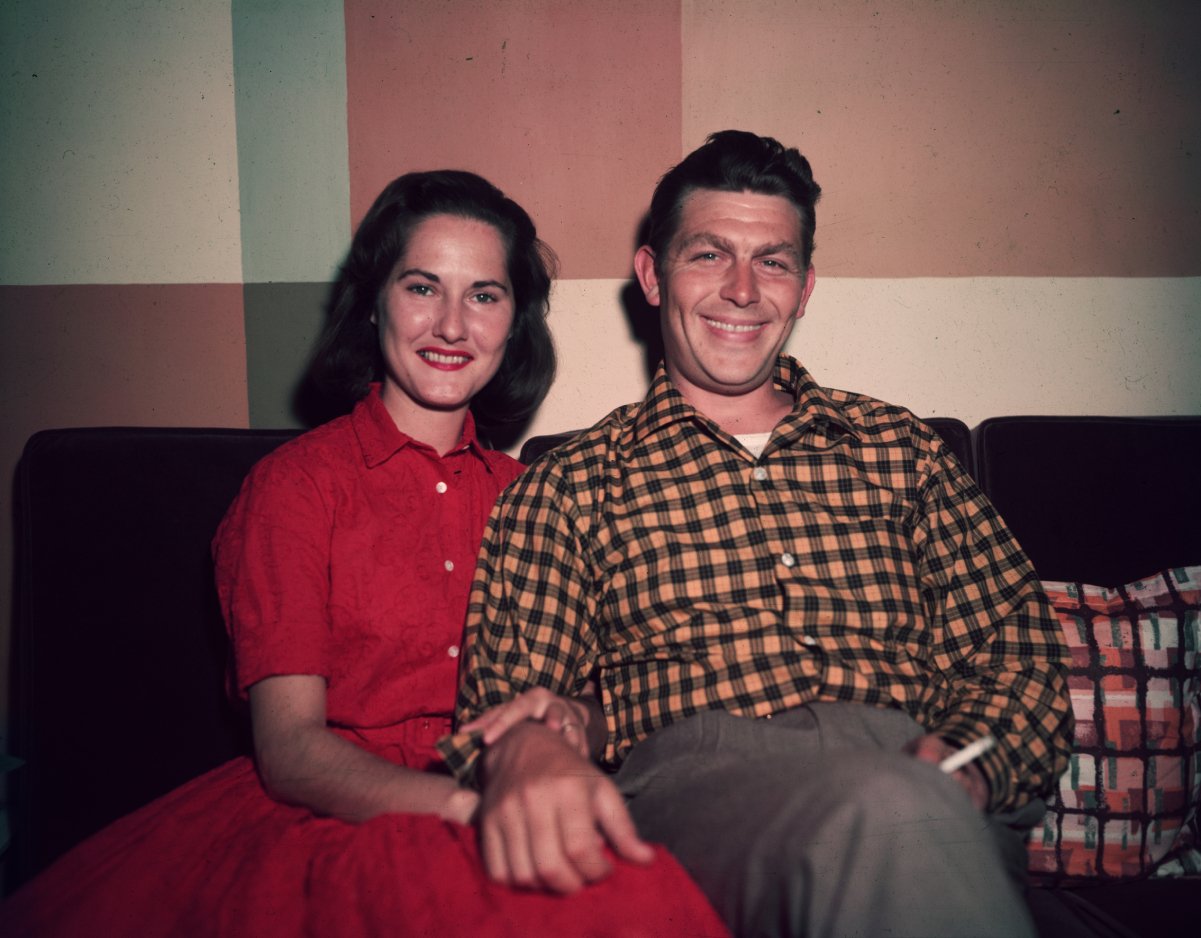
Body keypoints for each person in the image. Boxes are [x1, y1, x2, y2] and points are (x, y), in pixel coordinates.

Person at [2, 170, 727, 938]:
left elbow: (595, 701)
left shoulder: (542, 495)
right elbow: (290, 753)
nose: (452, 325)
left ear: (514, 322)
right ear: (374, 300)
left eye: (484, 295)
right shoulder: (295, 488)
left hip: (509, 791)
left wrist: (570, 727)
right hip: (329, 816)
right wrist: (469, 812)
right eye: (422, 287)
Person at [439, 132, 1076, 938]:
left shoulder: (902, 450)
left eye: (772, 262)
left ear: (803, 287)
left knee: (900, 811)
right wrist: (529, 746)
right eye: (708, 255)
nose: (742, 290)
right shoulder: (573, 482)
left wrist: (967, 770)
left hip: (929, 783)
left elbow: (1015, 653)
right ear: (651, 275)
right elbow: (510, 699)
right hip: (705, 793)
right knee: (883, 812)